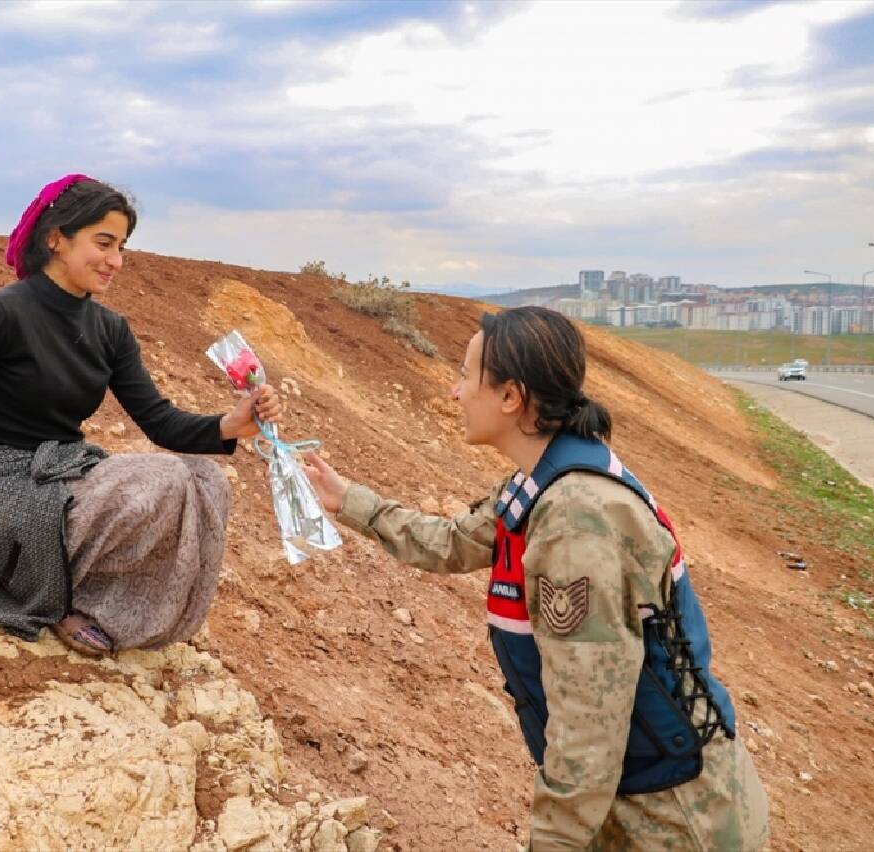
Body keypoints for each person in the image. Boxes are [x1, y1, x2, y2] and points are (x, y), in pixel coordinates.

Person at [302, 307, 768, 851]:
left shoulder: (575, 519)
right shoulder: (543, 484)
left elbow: (589, 725)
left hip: (673, 820)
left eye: (465, 374)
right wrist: (350, 501)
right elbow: (454, 541)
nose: (455, 393)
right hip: (644, 800)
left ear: (510, 396)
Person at [0, 174, 280, 656]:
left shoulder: (111, 330)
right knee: (164, 478)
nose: (116, 261)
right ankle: (55, 598)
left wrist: (232, 424)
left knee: (208, 481)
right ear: (56, 238)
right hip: (11, 493)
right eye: (103, 243)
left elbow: (160, 421)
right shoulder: (1, 312)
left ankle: (103, 603)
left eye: (121, 246)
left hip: (67, 477)